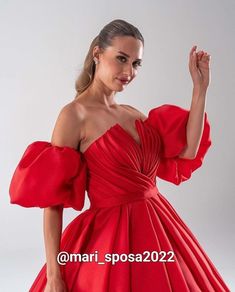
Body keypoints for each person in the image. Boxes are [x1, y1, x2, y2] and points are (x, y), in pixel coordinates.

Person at [9, 19, 230, 292]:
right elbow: (52, 203)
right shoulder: (74, 115)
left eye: (136, 63)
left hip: (160, 227)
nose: (129, 71)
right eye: (121, 59)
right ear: (97, 54)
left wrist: (200, 89)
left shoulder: (133, 113)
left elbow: (188, 151)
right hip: (110, 240)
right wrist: (55, 275)